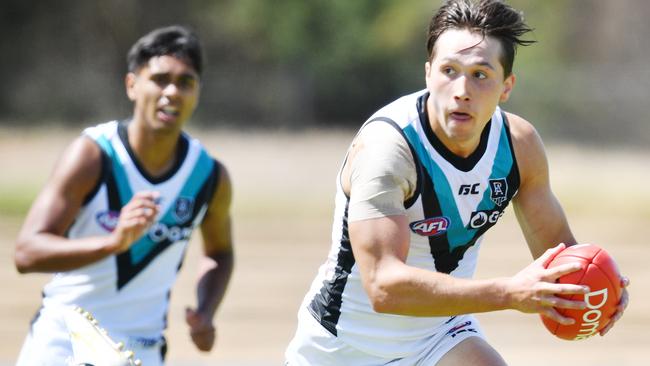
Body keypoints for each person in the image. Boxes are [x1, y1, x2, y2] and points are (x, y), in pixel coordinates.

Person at [285, 1, 629, 365]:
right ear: (428, 73)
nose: (462, 89)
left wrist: (597, 287)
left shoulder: (518, 147)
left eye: (481, 74)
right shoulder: (389, 150)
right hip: (342, 346)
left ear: (506, 86)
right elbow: (383, 286)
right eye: (450, 70)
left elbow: (560, 254)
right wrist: (508, 293)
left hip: (438, 337)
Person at [14, 25, 234, 366]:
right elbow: (27, 252)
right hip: (64, 341)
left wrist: (206, 312)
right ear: (132, 85)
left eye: (185, 82)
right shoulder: (93, 156)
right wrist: (113, 242)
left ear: (198, 92)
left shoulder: (208, 175)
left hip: (140, 350)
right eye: (160, 79)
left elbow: (220, 253)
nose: (172, 92)